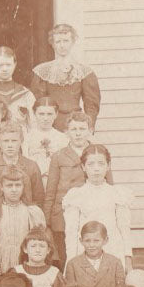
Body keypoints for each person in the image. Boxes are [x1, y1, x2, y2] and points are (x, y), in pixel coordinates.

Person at [43, 111, 106, 270]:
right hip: (63, 216)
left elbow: (108, 185)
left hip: (92, 211)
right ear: (66, 132)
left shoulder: (98, 153)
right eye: (74, 129)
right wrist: (47, 220)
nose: (78, 134)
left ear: (90, 130)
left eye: (82, 129)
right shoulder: (58, 156)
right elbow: (51, 190)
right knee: (67, 258)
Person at [61, 144, 133, 271]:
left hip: (113, 250)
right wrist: (70, 262)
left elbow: (124, 229)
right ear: (83, 167)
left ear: (108, 166)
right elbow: (71, 232)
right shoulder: (75, 195)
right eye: (91, 164)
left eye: (101, 163)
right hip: (85, 251)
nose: (96, 169)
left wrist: (128, 259)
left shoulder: (118, 194)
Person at [30, 21, 101, 130]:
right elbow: (38, 103)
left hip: (76, 124)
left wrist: (88, 127)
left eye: (66, 41)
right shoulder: (43, 71)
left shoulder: (84, 72)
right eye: (58, 42)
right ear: (53, 44)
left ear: (72, 42)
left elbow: (92, 105)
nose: (62, 45)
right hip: (51, 124)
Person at [0, 166, 47, 272]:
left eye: (18, 185)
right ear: (1, 187)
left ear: (23, 187)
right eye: (9, 185)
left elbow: (38, 239)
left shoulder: (32, 212)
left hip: (24, 260)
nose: (14, 190)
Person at [64, 221, 126, 287]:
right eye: (87, 241)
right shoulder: (73, 265)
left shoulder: (115, 263)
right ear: (81, 241)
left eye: (96, 240)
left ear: (105, 240)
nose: (91, 245)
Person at [0, 120, 45, 207]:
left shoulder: (31, 166)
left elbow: (38, 199)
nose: (10, 145)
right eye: (6, 141)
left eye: (14, 141)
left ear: (21, 141)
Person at [22, 98, 68, 189]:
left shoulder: (63, 138)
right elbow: (25, 161)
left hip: (56, 181)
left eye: (49, 114)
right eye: (41, 114)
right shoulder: (27, 137)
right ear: (35, 114)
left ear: (56, 114)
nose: (45, 118)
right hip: (33, 180)